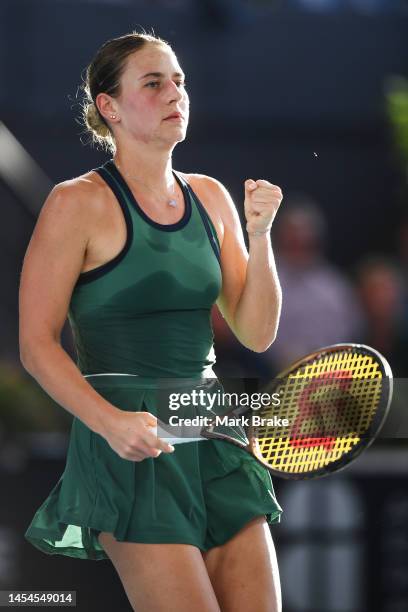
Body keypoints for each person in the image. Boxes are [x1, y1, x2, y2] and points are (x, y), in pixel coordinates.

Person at [19, 30, 284, 612]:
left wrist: (261, 235)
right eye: (154, 82)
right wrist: (111, 423)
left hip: (212, 429)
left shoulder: (212, 197)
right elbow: (36, 347)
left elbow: (256, 332)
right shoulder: (74, 203)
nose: (176, 93)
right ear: (108, 107)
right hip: (128, 444)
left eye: (180, 81)